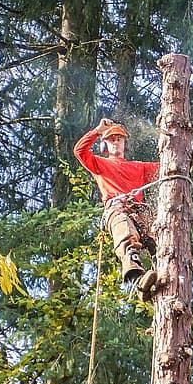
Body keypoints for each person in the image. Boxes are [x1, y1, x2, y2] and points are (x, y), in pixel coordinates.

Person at [74, 118, 159, 300]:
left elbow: (168, 169)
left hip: (139, 212)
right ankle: (137, 279)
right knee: (125, 233)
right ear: (105, 144)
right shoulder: (99, 164)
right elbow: (79, 151)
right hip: (117, 208)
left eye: (119, 139)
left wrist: (189, 161)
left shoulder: (138, 167)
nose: (116, 142)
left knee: (159, 241)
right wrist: (97, 131)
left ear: (124, 142)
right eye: (111, 139)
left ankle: (163, 277)